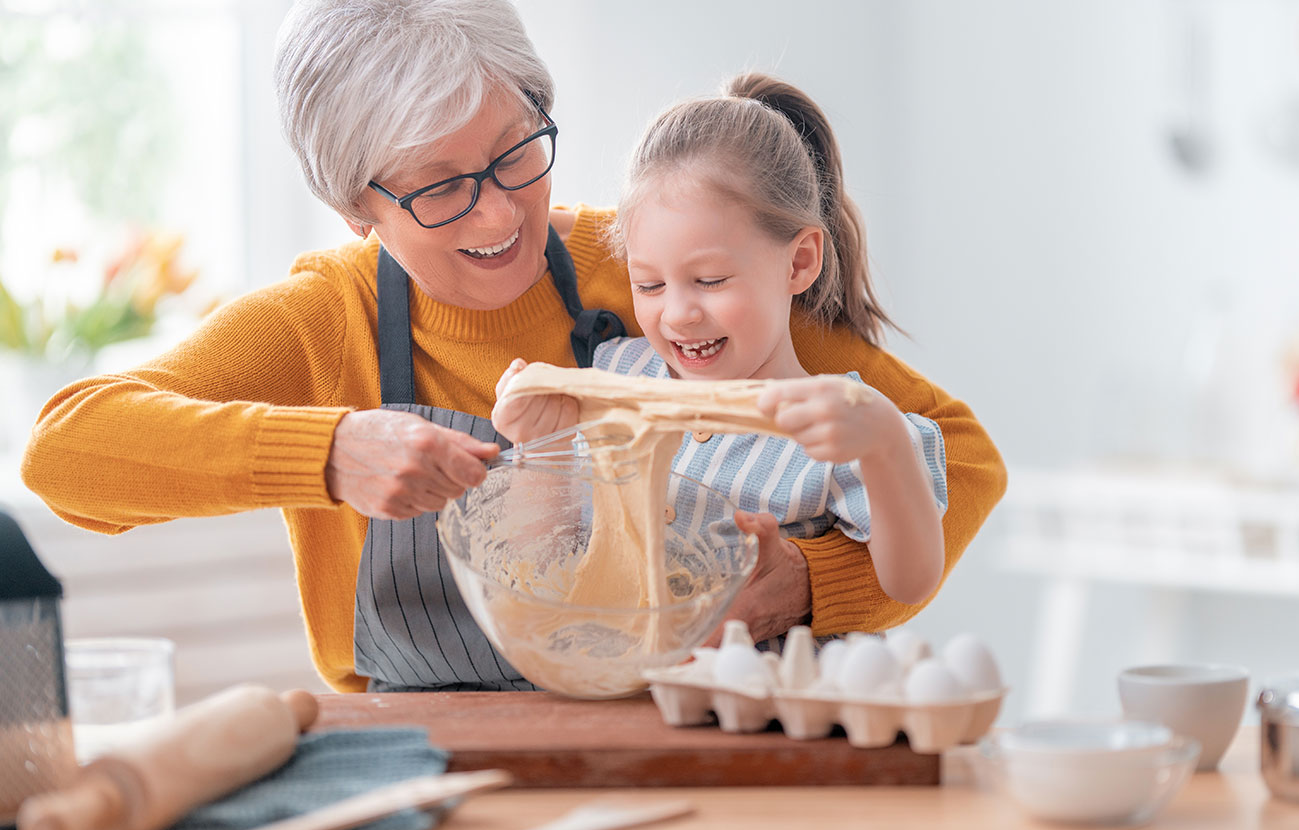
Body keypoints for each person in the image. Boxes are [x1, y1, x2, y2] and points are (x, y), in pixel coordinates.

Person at [20, 0, 1006, 693]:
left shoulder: (655, 269)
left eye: (513, 152)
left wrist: (807, 584)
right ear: (356, 205)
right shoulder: (324, 320)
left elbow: (952, 453)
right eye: (439, 185)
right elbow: (64, 451)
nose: (499, 212)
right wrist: (326, 452)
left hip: (675, 720)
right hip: (419, 750)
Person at [494, 73, 948, 608]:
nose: (679, 314)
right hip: (609, 685)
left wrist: (886, 445)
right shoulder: (610, 377)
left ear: (799, 261)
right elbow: (534, 572)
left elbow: (910, 583)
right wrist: (535, 449)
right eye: (650, 285)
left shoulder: (842, 427)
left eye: (710, 281)